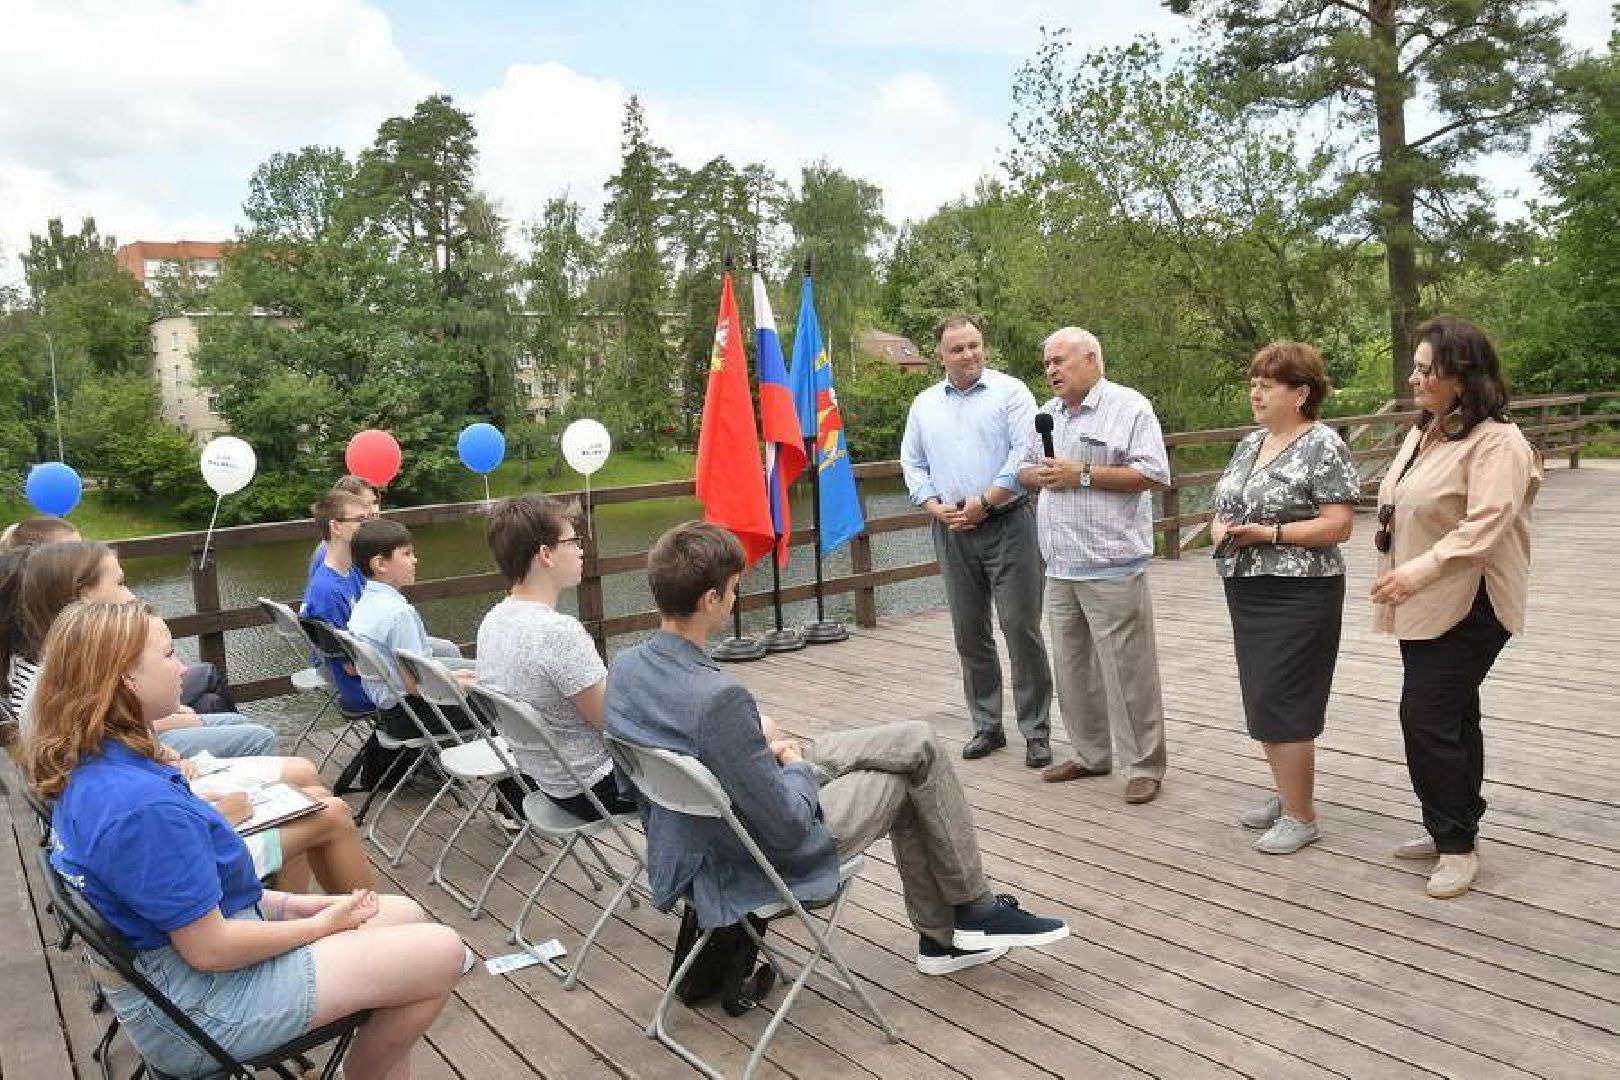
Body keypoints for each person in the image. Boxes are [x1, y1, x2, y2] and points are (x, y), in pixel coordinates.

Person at [606, 521, 1070, 976]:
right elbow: (788, 825)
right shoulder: (718, 700)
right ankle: (964, 919)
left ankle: (956, 927)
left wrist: (757, 745)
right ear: (710, 600)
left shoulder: (627, 669)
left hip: (693, 838)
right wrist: (791, 764)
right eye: (733, 589)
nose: (734, 597)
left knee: (916, 741)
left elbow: (634, 782)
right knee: (907, 774)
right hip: (757, 853)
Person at [24, 601, 463, 1080]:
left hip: (183, 973)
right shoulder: (140, 807)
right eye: (169, 654)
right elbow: (209, 948)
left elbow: (196, 902)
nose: (184, 668)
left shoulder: (102, 766)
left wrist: (293, 908)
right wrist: (320, 927)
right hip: (200, 1009)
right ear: (126, 679)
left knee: (404, 915)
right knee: (441, 951)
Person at [1371, 316, 1540, 900]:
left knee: (1425, 717)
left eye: (1425, 370)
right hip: (1425, 600)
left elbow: (1485, 526)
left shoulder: (1499, 442)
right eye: (1415, 368)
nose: (1413, 378)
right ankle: (1452, 825)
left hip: (1472, 601)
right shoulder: (1430, 432)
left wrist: (1414, 570)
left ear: (1461, 379)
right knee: (1452, 716)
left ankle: (1457, 848)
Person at [1210, 342, 1360, 854]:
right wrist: (1220, 529)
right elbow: (1224, 504)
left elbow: (1339, 525)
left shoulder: (1323, 444)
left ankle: (1301, 816)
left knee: (1284, 697)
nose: (1255, 392)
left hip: (1300, 592)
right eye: (1254, 382)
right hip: (1247, 586)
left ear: (1301, 393)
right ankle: (1286, 791)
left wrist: (1270, 535)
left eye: (1267, 385)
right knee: (1263, 693)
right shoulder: (1251, 443)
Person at [1017, 328, 1172, 805]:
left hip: (1111, 563)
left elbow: (1154, 474)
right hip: (1061, 565)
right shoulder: (1046, 415)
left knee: (1128, 671)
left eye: (1060, 361)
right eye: (1047, 364)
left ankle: (1144, 764)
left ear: (1091, 359)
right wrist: (1036, 474)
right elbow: (1020, 468)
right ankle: (1090, 753)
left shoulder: (1129, 407)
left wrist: (1080, 474)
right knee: (1072, 669)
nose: (1052, 370)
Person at [899, 315, 1054, 766]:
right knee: (970, 633)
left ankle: (1036, 730)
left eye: (974, 345)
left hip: (1008, 522)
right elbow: (912, 463)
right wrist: (933, 506)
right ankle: (987, 725)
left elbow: (1022, 455)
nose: (969, 355)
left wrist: (985, 502)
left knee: (1020, 629)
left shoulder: (1011, 393)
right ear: (940, 356)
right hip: (950, 528)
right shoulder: (924, 404)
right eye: (958, 349)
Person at [2, 540, 279, 761]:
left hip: (129, 752)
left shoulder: (63, 650)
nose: (131, 594)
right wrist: (168, 734)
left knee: (230, 717)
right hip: (128, 760)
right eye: (120, 583)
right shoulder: (63, 667)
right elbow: (93, 741)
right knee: (260, 737)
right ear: (83, 593)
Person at [477, 495, 635, 821]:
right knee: (710, 770)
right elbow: (615, 722)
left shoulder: (493, 620)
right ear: (546, 555)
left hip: (547, 779)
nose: (580, 549)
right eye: (573, 540)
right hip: (596, 786)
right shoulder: (557, 632)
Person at [1, 516, 238, 713]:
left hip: (120, 736)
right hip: (115, 746)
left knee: (209, 700)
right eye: (73, 551)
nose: (131, 595)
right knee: (212, 687)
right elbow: (97, 725)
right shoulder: (58, 651)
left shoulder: (41, 627)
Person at [300, 490, 375, 714]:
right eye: (361, 520)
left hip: (373, 675)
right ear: (336, 527)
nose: (368, 526)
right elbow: (351, 667)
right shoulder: (326, 592)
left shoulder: (352, 570)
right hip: (364, 690)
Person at [308, 475, 382, 579]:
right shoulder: (331, 553)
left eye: (374, 503)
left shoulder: (361, 542)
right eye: (366, 504)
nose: (375, 511)